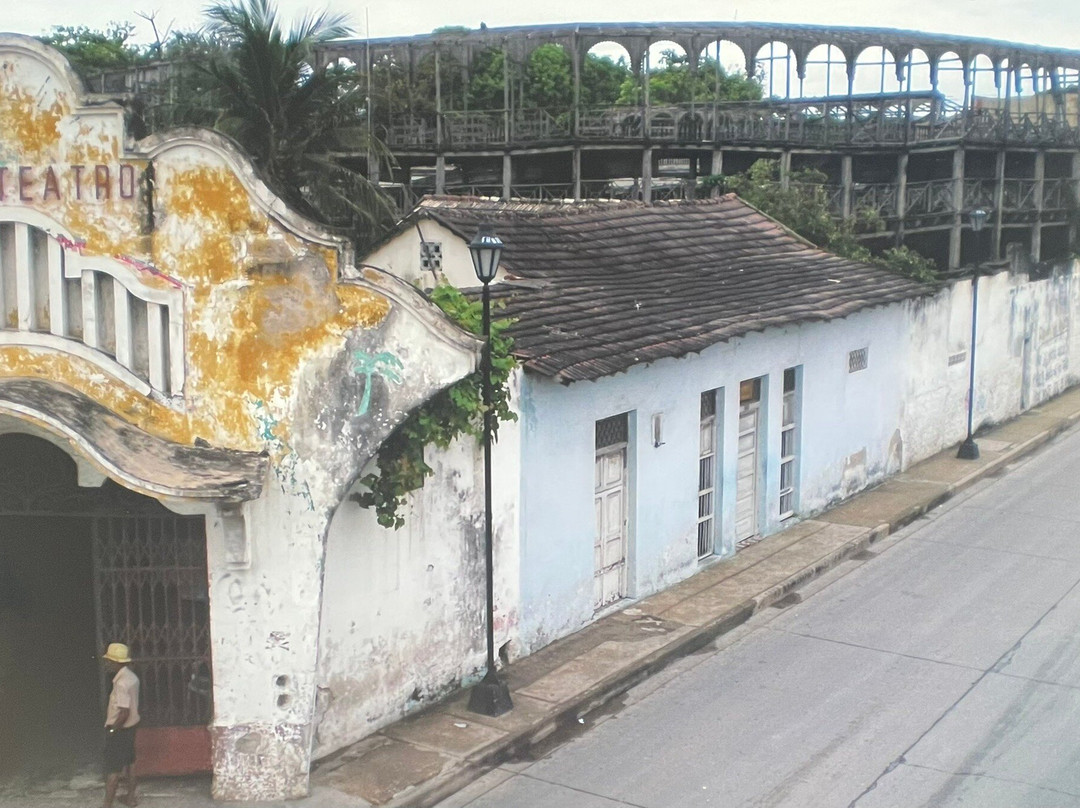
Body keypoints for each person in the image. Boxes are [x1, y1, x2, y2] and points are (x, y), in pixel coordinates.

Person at [102, 643, 140, 808]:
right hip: (131, 727)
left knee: (113, 769)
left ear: (117, 662)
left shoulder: (121, 683)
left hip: (121, 730)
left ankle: (107, 804)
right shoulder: (132, 677)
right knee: (130, 763)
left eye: (110, 661)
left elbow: (123, 712)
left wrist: (112, 729)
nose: (107, 664)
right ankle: (130, 798)